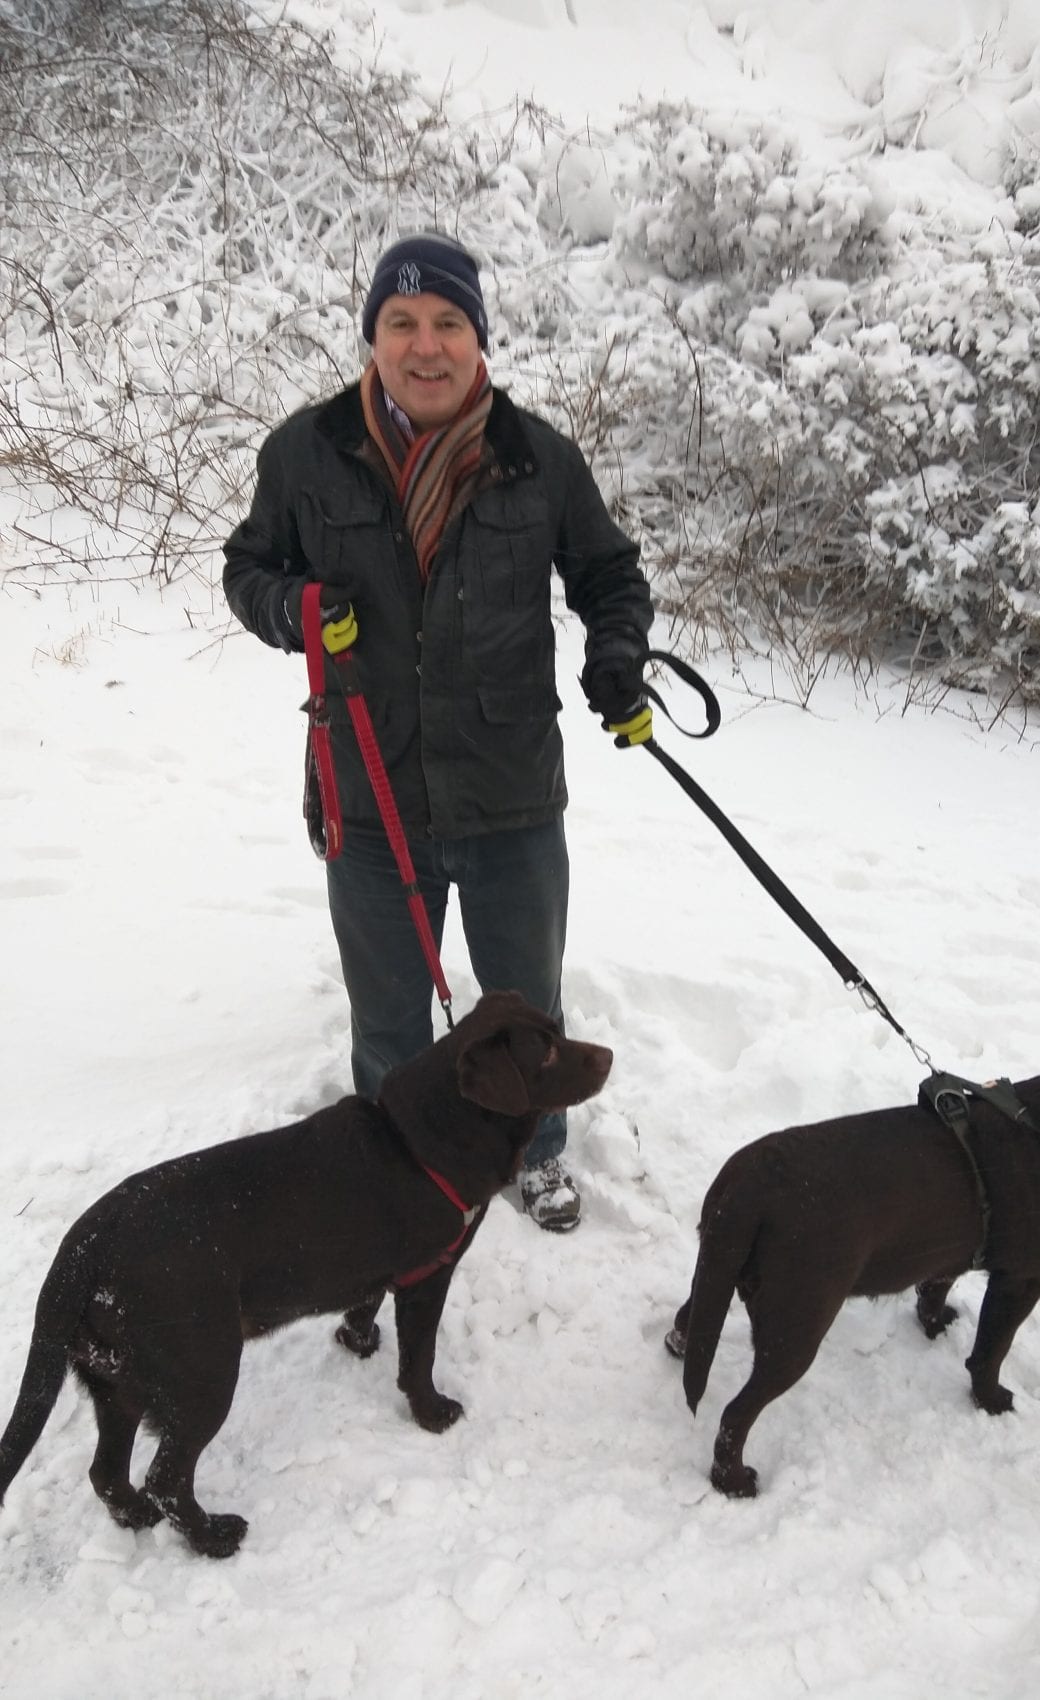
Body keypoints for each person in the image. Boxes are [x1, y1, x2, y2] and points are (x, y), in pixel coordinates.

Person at [223, 231, 653, 1232]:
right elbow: (248, 568)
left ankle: (535, 1150)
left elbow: (608, 574)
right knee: (387, 1017)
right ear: (373, 335)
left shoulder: (536, 457)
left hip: (509, 794)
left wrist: (615, 657)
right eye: (403, 323)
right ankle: (395, 1155)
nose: (426, 346)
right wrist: (295, 608)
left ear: (478, 339)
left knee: (525, 1008)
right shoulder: (305, 452)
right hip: (368, 793)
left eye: (447, 323)